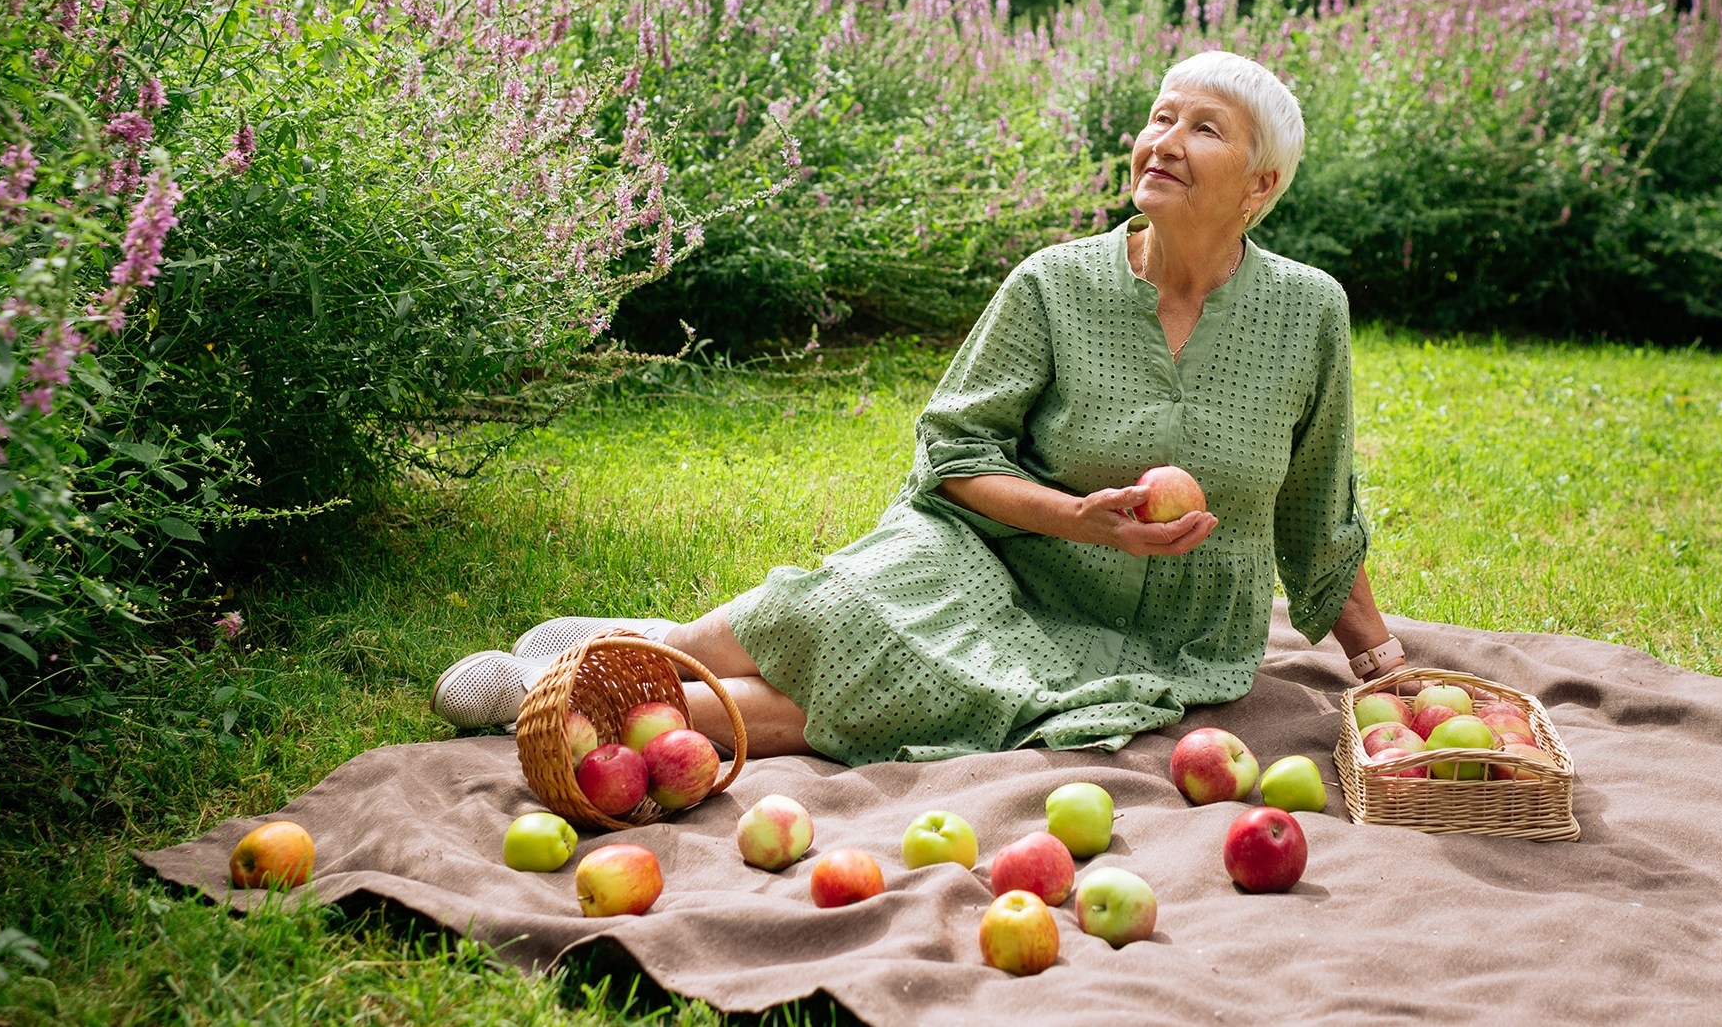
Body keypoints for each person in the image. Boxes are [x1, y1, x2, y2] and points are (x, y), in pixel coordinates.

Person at [431, 50, 1408, 764]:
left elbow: (1318, 510)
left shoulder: (1304, 311)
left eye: (1203, 127)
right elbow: (954, 447)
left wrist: (1379, 661)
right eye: (1160, 115)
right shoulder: (1054, 283)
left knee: (927, 691)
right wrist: (1073, 517)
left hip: (1171, 638)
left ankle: (596, 701)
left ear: (1260, 183)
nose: (1163, 139)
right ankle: (637, 649)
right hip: (993, 550)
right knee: (842, 613)